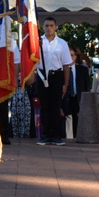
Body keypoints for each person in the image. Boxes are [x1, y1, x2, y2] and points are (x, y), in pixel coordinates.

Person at [35, 17, 72, 146]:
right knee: (44, 106)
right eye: (46, 26)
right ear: (43, 27)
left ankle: (56, 135)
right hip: (42, 75)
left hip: (57, 75)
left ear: (56, 27)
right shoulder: (37, 41)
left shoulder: (62, 43)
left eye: (51, 25)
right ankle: (45, 135)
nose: (49, 28)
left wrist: (65, 84)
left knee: (56, 106)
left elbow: (66, 65)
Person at [64, 46, 91, 138]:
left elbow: (87, 87)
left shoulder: (82, 70)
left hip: (78, 98)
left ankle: (78, 137)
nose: (70, 57)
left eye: (72, 55)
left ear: (75, 57)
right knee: (66, 120)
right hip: (66, 98)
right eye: (68, 55)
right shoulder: (61, 70)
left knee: (78, 119)